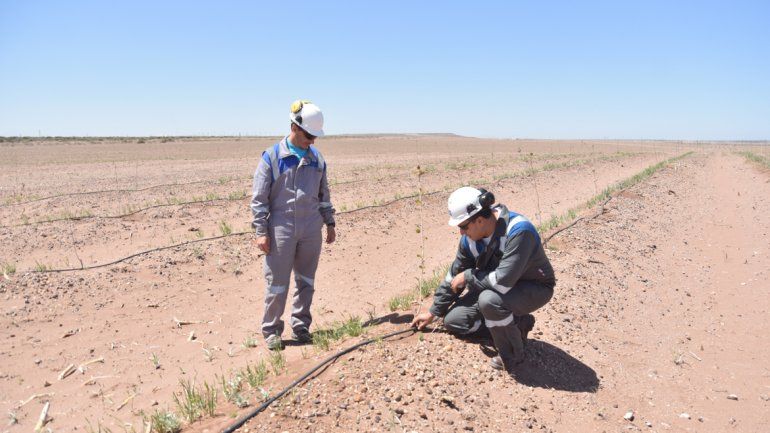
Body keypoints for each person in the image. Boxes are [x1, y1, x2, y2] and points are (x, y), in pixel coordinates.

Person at [411, 187, 555, 373]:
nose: (461, 233)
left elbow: (502, 281)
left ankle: (512, 354)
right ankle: (517, 325)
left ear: (479, 220)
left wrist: (469, 276)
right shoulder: (470, 240)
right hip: (495, 286)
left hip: (533, 287)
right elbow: (453, 276)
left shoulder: (519, 231)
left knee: (489, 300)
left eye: (463, 226)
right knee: (454, 321)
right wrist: (433, 312)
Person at [251, 100, 336, 350]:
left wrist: (329, 223)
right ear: (294, 127)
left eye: (315, 136)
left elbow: (324, 194)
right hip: (281, 228)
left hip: (311, 228)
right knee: (277, 283)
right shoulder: (272, 157)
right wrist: (260, 232)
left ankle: (301, 326)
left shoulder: (317, 159)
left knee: (306, 280)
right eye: (309, 135)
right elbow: (259, 199)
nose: (312, 141)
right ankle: (272, 331)